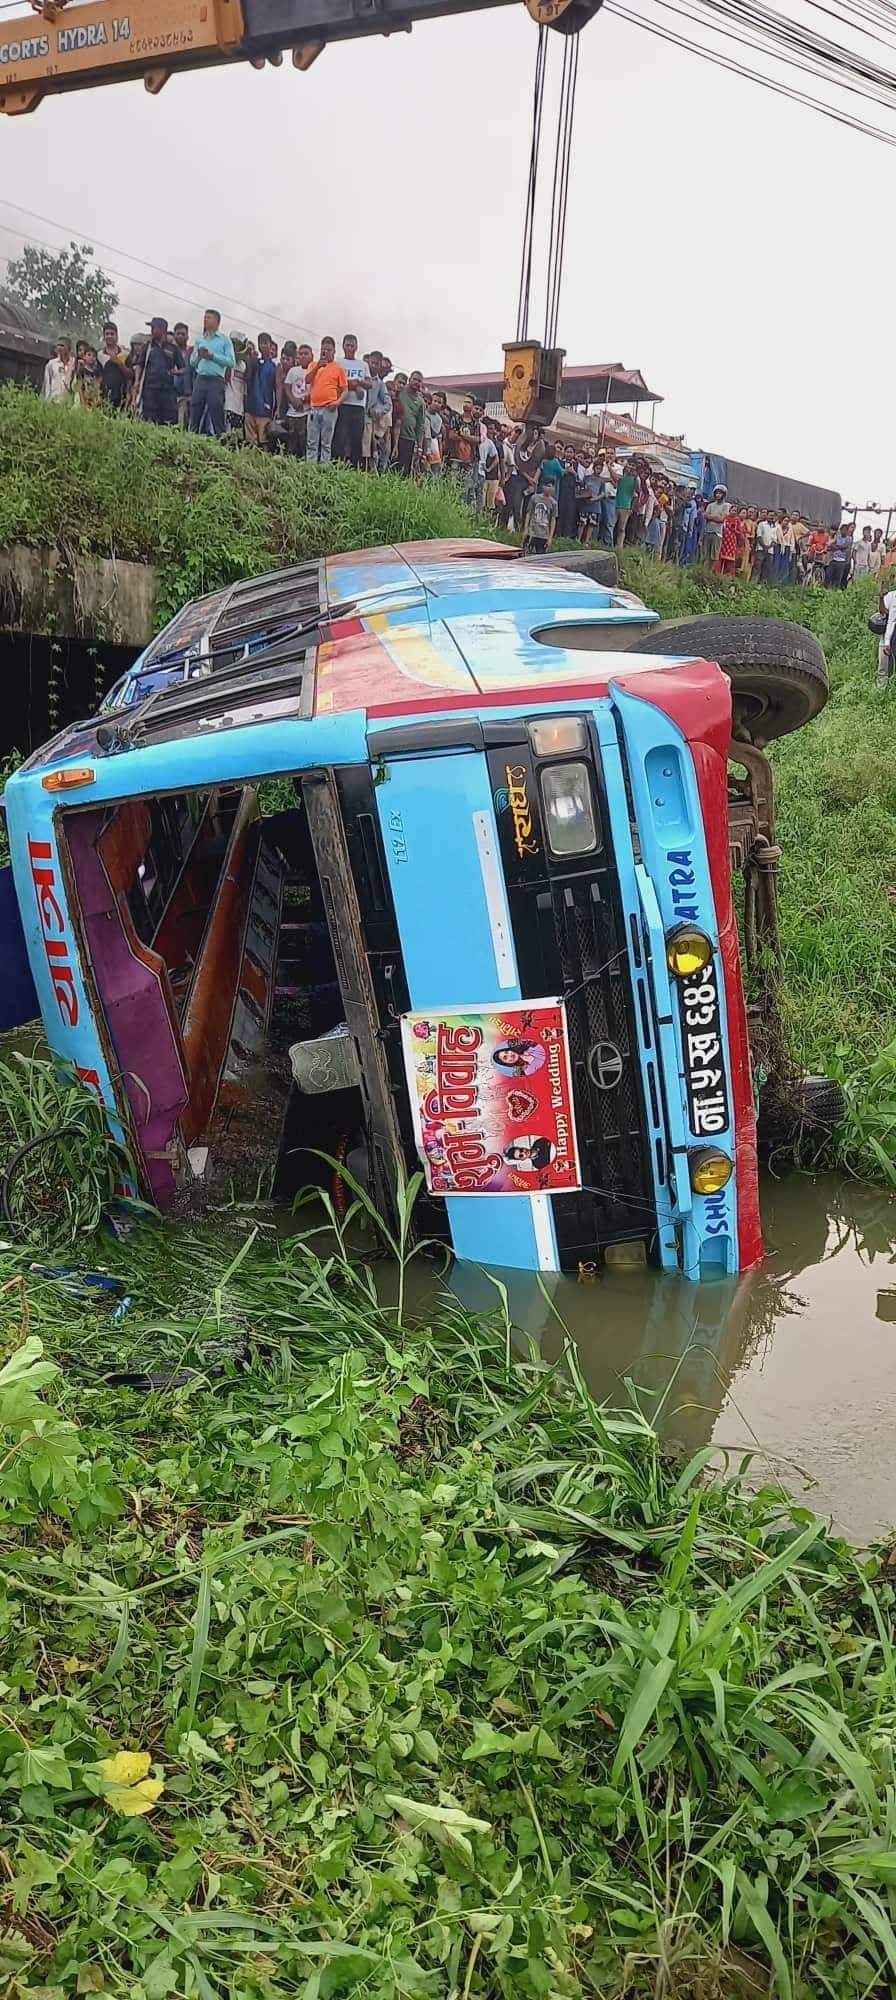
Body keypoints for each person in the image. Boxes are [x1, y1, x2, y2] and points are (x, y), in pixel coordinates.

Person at [189, 310, 235, 439]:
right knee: (195, 409)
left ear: (217, 322)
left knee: (216, 411)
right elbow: (192, 363)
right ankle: (191, 439)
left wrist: (212, 356)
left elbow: (231, 362)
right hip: (201, 378)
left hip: (216, 380)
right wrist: (200, 355)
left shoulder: (225, 340)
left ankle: (221, 440)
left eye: (209, 317)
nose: (205, 320)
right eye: (205, 317)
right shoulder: (199, 340)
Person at [305, 336, 348, 464]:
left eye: (328, 350)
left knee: (326, 442)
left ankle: (324, 468)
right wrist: (318, 366)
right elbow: (307, 380)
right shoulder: (313, 365)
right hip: (314, 408)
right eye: (323, 349)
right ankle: (310, 467)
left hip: (329, 408)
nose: (325, 352)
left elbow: (345, 390)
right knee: (312, 441)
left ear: (334, 351)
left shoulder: (338, 368)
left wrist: (337, 402)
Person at [330, 335, 370, 468]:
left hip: (358, 406)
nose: (349, 348)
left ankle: (354, 467)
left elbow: (369, 384)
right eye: (347, 345)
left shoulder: (363, 365)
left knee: (356, 439)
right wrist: (354, 386)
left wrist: (359, 382)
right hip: (342, 404)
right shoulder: (338, 363)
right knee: (340, 437)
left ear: (356, 347)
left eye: (352, 345)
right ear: (343, 346)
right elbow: (334, 382)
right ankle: (336, 465)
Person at [137, 316, 179, 425]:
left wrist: (175, 372)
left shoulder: (172, 348)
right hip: (150, 390)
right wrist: (137, 381)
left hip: (167, 392)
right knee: (148, 421)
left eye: (153, 328)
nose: (151, 331)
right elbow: (140, 365)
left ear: (162, 330)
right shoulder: (148, 346)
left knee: (167, 422)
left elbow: (183, 368)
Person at [245, 331, 277, 447]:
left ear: (270, 345)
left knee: (264, 442)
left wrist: (276, 408)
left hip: (265, 410)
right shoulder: (254, 362)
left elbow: (277, 388)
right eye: (260, 343)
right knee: (250, 442)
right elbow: (246, 378)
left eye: (265, 343)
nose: (262, 346)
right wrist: (251, 361)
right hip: (251, 408)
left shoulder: (274, 366)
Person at [283, 341, 313, 457]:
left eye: (306, 353)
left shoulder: (315, 371)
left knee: (304, 443)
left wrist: (303, 400)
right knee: (291, 445)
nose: (303, 356)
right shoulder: (293, 370)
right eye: (301, 354)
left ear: (312, 356)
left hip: (306, 413)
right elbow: (287, 387)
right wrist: (293, 401)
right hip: (292, 413)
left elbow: (315, 390)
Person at [396, 369, 426, 476]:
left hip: (409, 439)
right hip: (395, 436)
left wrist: (420, 447)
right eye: (415, 379)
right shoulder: (400, 392)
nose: (416, 382)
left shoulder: (421, 402)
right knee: (392, 465)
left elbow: (420, 426)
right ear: (409, 380)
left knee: (404, 471)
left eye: (419, 381)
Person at [367, 356, 393, 474]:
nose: (384, 371)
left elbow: (388, 406)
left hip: (377, 428)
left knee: (374, 456)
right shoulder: (366, 379)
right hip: (362, 419)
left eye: (387, 370)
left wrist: (375, 411)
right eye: (383, 368)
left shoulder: (382, 386)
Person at [97, 323, 131, 410]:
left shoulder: (125, 354)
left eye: (112, 334)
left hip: (122, 397)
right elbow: (97, 376)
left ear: (117, 336)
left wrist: (120, 364)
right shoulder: (99, 355)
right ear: (104, 336)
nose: (109, 336)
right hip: (105, 398)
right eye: (107, 334)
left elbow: (131, 375)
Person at [523, 477, 558, 553]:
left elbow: (553, 520)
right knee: (527, 552)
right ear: (542, 486)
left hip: (544, 535)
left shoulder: (553, 503)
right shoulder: (534, 498)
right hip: (532, 532)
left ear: (553, 488)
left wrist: (550, 537)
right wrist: (526, 529)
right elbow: (528, 513)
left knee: (540, 555)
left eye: (550, 486)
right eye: (546, 486)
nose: (547, 488)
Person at [224, 335, 248, 437]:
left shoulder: (243, 365)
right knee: (227, 435)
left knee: (237, 438)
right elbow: (226, 378)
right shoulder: (228, 362)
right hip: (229, 404)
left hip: (239, 407)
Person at [702, 485, 729, 567]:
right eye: (716, 493)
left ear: (724, 494)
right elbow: (705, 516)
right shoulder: (710, 505)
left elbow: (721, 519)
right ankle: (704, 571)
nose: (718, 495)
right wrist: (715, 517)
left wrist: (711, 517)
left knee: (714, 556)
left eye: (720, 493)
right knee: (706, 555)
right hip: (708, 531)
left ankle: (711, 572)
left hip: (717, 533)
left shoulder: (726, 506)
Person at [877, 571, 896, 687]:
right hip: (887, 636)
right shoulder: (891, 596)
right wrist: (881, 599)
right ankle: (881, 691)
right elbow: (883, 612)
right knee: (883, 668)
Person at [172, 323, 192, 427]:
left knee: (183, 425)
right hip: (171, 393)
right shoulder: (169, 351)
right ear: (174, 335)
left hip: (186, 394)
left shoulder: (191, 353)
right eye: (178, 333)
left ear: (187, 337)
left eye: (183, 334)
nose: (180, 336)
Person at [479, 425, 502, 511]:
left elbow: (499, 459)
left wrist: (489, 469)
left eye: (492, 429)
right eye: (489, 428)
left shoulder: (495, 444)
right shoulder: (480, 440)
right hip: (482, 475)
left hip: (491, 477)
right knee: (481, 501)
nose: (490, 431)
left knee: (490, 503)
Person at [614, 461, 637, 545]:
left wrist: (631, 508)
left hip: (626, 506)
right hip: (615, 503)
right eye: (630, 464)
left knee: (621, 528)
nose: (631, 467)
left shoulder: (635, 479)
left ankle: (619, 545)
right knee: (611, 525)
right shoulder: (620, 476)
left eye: (633, 465)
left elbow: (636, 495)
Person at [557, 451, 579, 540]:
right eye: (567, 452)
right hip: (561, 492)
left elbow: (581, 480)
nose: (569, 454)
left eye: (571, 452)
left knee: (570, 515)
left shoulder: (577, 465)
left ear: (574, 454)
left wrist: (573, 472)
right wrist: (565, 471)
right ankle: (558, 536)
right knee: (560, 514)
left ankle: (567, 537)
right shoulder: (560, 463)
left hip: (572, 494)